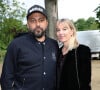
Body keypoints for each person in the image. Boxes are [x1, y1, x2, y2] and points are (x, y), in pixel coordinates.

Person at [1, 5, 59, 90]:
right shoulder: (16, 44)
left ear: (47, 23)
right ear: (28, 24)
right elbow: (6, 77)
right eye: (33, 21)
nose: (37, 24)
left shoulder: (54, 44)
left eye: (41, 20)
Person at [56, 18, 91, 90]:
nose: (61, 32)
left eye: (64, 29)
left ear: (72, 31)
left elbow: (85, 81)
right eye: (58, 30)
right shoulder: (58, 51)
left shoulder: (82, 50)